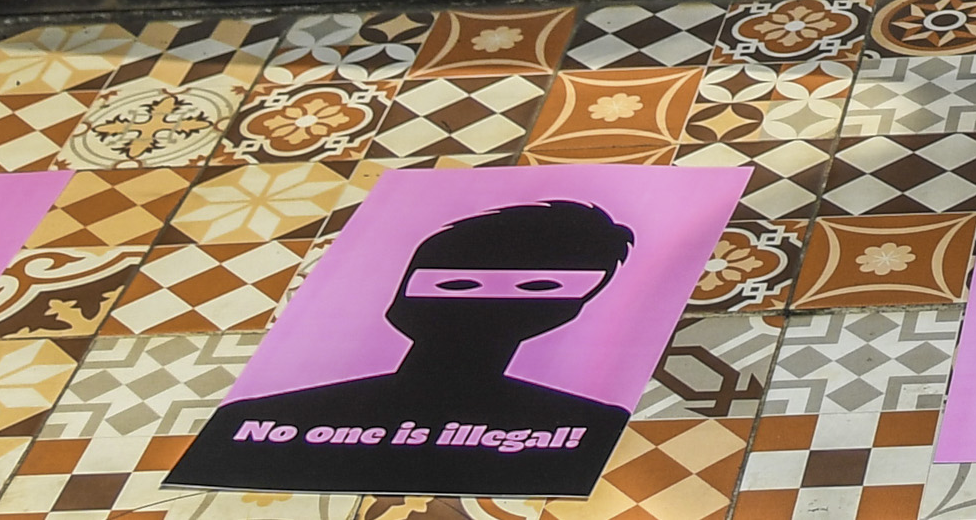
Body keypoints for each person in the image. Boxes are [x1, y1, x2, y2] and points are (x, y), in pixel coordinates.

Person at [177, 201, 642, 495]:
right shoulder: (255, 421)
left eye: (538, 287)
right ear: (401, 292)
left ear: (573, 307)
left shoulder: (594, 427)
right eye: (456, 284)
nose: (486, 306)